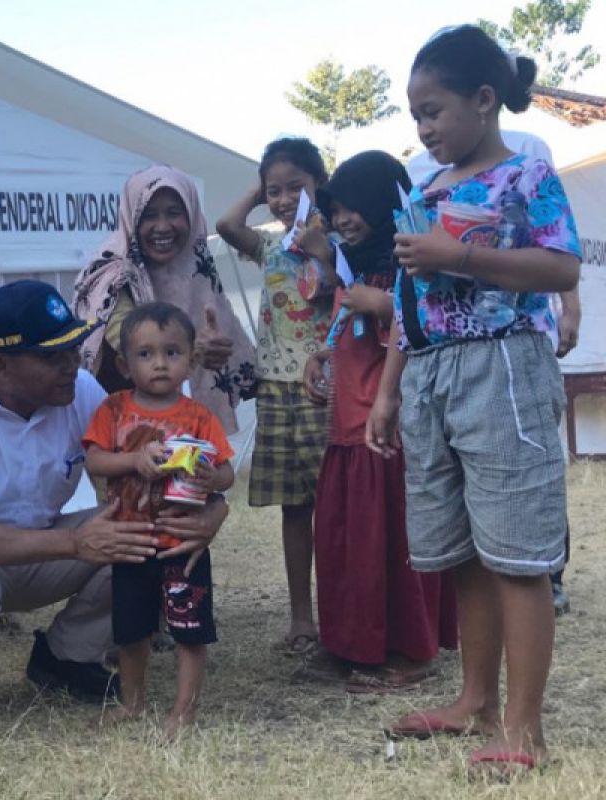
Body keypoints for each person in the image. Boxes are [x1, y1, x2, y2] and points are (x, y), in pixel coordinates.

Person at [368, 26, 581, 774]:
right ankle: (474, 704)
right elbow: (405, 297)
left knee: (516, 556)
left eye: (434, 111)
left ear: (484, 101)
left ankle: (525, 730)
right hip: (430, 377)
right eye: (416, 116)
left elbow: (562, 266)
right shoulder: (428, 191)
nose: (423, 128)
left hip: (504, 373)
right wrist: (389, 391)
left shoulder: (526, 178)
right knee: (463, 550)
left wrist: (460, 255)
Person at [0, 280, 230, 731]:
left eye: (74, 350)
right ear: (0, 365)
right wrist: (76, 542)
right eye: (52, 356)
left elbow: (170, 465)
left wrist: (215, 511)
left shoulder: (81, 392)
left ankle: (64, 658)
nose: (71, 366)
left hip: (45, 549)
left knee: (146, 538)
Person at [302, 152, 458, 692]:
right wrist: (323, 353)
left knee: (392, 538)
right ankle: (354, 642)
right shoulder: (358, 260)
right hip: (349, 420)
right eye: (336, 210)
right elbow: (346, 317)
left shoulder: (408, 256)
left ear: (382, 204)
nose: (343, 220)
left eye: (354, 208)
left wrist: (386, 302)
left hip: (386, 421)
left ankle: (411, 649)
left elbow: (428, 318)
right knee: (350, 537)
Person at [83, 301, 235, 740]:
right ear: (124, 364)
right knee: (131, 632)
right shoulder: (112, 409)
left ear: (190, 359)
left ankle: (183, 713)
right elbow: (94, 459)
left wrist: (212, 476)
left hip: (183, 544)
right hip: (129, 540)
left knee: (190, 631)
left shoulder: (199, 417)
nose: (160, 364)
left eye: (172, 352)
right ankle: (133, 703)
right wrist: (133, 458)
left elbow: (224, 470)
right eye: (146, 354)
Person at [216, 138, 335, 655]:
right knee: (295, 508)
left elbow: (339, 291)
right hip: (276, 390)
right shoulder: (269, 245)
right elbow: (225, 226)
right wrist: (262, 190)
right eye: (275, 192)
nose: (284, 200)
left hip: (326, 392)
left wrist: (320, 248)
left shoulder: (336, 239)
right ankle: (301, 617)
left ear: (320, 186)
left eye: (296, 187)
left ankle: (340, 613)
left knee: (335, 507)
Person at [74, 165, 256, 434]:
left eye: (174, 213)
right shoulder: (111, 275)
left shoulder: (198, 272)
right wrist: (193, 350)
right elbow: (128, 341)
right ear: (131, 217)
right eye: (149, 215)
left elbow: (228, 346)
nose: (162, 227)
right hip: (128, 433)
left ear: (192, 216)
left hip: (190, 428)